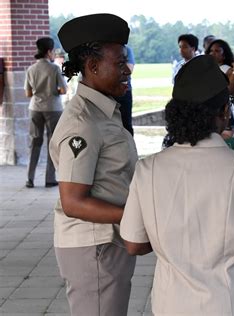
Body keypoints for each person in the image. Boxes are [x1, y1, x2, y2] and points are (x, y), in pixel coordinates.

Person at [120, 55, 234, 315]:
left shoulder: (148, 169)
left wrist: (174, 247)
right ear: (224, 112)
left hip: (172, 304)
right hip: (232, 303)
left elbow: (134, 244)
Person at [49, 14, 137, 315]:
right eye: (119, 62)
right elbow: (73, 202)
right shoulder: (82, 123)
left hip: (107, 241)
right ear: (93, 66)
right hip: (94, 247)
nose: (127, 70)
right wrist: (136, 217)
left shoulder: (103, 112)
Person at [24, 37, 67, 188]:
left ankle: (30, 178)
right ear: (49, 51)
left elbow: (28, 93)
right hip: (53, 108)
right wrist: (51, 90)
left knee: (35, 142)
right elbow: (63, 90)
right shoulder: (54, 68)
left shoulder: (31, 69)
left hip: (35, 108)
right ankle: (50, 178)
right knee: (51, 143)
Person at [206, 39, 234, 150]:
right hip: (209, 111)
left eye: (217, 51)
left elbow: (230, 90)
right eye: (211, 51)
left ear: (224, 55)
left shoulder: (227, 70)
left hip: (224, 111)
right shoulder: (207, 69)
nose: (212, 53)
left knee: (225, 143)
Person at [114, 45, 135, 135]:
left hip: (125, 91)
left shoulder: (127, 50)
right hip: (109, 93)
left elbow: (129, 69)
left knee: (126, 125)